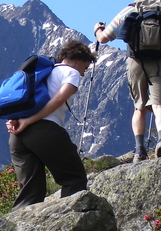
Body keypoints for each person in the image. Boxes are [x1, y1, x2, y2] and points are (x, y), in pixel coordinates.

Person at [93, 0, 161, 163]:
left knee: (139, 107)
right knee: (160, 106)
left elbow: (103, 38)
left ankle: (139, 150)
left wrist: (97, 29)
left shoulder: (128, 11)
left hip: (136, 62)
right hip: (160, 61)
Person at [6, 40, 95, 210]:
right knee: (74, 180)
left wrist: (21, 121)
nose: (83, 73)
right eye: (85, 67)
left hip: (17, 136)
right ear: (78, 59)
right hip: (45, 130)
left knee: (30, 193)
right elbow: (59, 99)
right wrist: (30, 121)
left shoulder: (43, 72)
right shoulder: (71, 72)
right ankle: (69, 227)